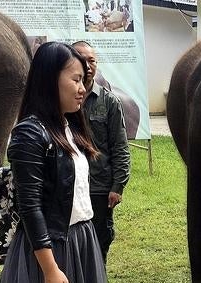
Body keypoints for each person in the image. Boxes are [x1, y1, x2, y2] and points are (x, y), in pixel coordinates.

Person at [0, 42, 120, 283]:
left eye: (84, 79)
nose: (83, 88)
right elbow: (31, 207)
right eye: (75, 79)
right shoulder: (30, 133)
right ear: (48, 79)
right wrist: (51, 269)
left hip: (82, 243)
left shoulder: (68, 127)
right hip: (51, 248)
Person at [72, 41, 130, 263]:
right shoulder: (61, 101)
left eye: (92, 60)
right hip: (69, 185)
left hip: (98, 187)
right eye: (81, 59)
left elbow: (120, 147)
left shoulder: (109, 102)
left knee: (98, 242)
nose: (87, 65)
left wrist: (117, 186)